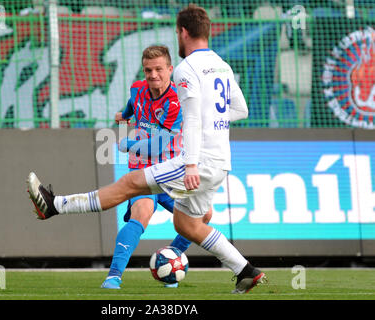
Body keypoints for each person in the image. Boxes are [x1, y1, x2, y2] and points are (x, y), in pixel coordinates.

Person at [28, 4, 266, 294]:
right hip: (221, 162)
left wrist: (190, 163)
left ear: (183, 32)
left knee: (130, 184)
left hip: (198, 161)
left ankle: (56, 205)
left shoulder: (186, 68)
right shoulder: (222, 65)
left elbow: (190, 119)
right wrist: (211, 120)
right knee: (187, 224)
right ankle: (245, 270)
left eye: (177, 32)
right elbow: (241, 109)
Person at [101, 45, 212, 289]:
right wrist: (124, 114)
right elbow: (133, 105)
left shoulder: (177, 101)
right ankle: (113, 276)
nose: (153, 75)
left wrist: (126, 143)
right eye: (148, 70)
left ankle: (168, 259)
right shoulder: (137, 89)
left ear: (170, 70)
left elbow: (158, 145)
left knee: (204, 215)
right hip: (143, 171)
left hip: (171, 170)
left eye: (159, 69)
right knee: (142, 212)